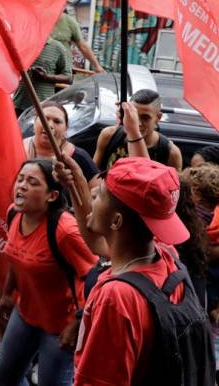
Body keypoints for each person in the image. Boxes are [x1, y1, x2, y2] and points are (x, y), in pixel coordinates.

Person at [71, 157, 214, 384]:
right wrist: (74, 184)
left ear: (116, 221)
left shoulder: (117, 298)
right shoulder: (166, 256)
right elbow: (100, 243)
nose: (92, 199)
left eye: (98, 195)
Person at [0, 159, 97, 386]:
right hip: (25, 314)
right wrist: (7, 293)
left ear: (51, 196)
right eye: (20, 179)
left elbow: (96, 278)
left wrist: (77, 325)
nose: (21, 186)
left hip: (61, 325)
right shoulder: (13, 213)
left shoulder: (65, 231)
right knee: (6, 374)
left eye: (32, 182)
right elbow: (16, 257)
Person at [93, 88, 183, 170]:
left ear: (158, 118)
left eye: (145, 118)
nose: (137, 123)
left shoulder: (170, 153)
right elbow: (93, 177)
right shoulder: (109, 135)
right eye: (134, 116)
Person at [12, 37, 71, 115]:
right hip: (19, 102)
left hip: (42, 106)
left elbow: (68, 78)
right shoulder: (24, 43)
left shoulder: (57, 48)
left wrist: (46, 77)